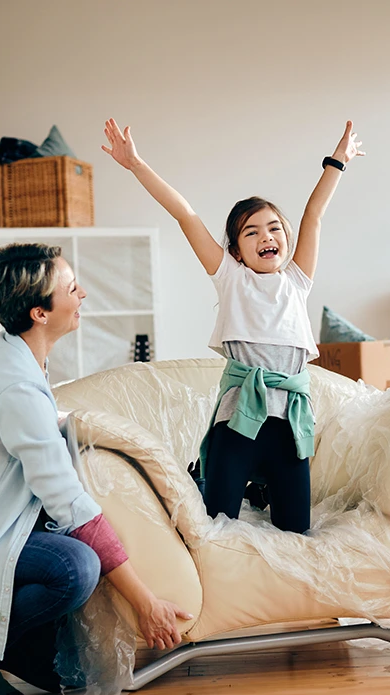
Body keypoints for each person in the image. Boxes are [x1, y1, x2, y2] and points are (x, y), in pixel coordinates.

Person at [0, 243, 192, 695]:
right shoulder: (15, 384)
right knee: (75, 568)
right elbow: (68, 503)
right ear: (40, 312)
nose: (84, 293)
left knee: (57, 675)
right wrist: (145, 602)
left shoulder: (13, 354)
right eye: (71, 287)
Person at [102, 118, 363, 534]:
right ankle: (221, 483)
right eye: (252, 232)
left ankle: (259, 492)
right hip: (240, 418)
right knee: (215, 525)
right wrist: (135, 164)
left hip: (290, 424)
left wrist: (337, 162)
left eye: (274, 228)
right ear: (237, 251)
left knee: (297, 530)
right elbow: (185, 215)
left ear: (286, 238)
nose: (266, 236)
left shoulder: (297, 282)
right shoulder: (231, 278)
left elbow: (313, 215)